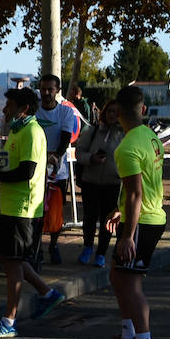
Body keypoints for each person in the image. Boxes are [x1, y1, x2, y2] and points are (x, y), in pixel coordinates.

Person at [0, 87, 64, 338]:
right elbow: (6, 164)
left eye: (9, 106)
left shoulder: (33, 133)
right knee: (7, 258)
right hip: (10, 207)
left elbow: (26, 171)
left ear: (23, 109)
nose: (5, 110)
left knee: (12, 263)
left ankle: (9, 321)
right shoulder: (16, 130)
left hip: (24, 209)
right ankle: (47, 293)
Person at [101, 85, 166, 339]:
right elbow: (142, 187)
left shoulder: (127, 147)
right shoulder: (150, 136)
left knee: (131, 285)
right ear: (141, 109)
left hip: (144, 221)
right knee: (117, 277)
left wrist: (128, 235)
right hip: (143, 216)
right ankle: (129, 338)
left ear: (118, 113)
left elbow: (136, 194)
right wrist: (120, 210)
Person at [74, 100, 124, 267]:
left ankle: (101, 253)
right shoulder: (93, 131)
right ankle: (87, 247)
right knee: (89, 218)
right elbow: (79, 153)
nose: (112, 115)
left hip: (113, 184)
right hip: (91, 182)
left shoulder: (124, 134)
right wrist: (91, 159)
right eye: (109, 111)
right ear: (104, 112)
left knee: (107, 220)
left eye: (115, 112)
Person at [35, 74, 78, 263]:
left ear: (57, 91)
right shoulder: (33, 110)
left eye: (50, 89)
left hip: (57, 172)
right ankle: (36, 247)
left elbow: (65, 138)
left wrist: (57, 156)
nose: (45, 93)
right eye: (43, 89)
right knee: (37, 212)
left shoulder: (65, 113)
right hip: (35, 170)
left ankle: (53, 245)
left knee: (56, 213)